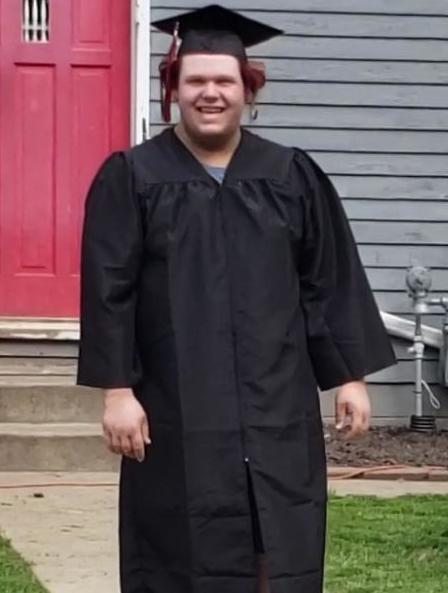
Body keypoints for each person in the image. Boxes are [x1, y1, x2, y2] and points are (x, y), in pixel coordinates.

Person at [77, 5, 396, 593]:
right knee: (177, 542)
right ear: (173, 89)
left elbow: (325, 281)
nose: (210, 94)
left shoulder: (290, 175)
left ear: (248, 89)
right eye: (195, 80)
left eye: (224, 81)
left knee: (279, 534)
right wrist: (117, 392)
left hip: (277, 403)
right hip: (176, 406)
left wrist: (349, 377)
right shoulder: (133, 176)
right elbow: (109, 290)